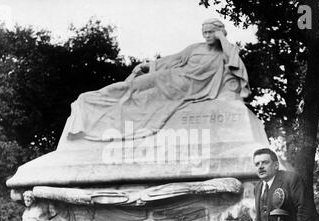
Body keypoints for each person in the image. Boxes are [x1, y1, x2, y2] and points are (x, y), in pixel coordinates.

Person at [66, 18, 250, 141]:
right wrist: (148, 65)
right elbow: (173, 60)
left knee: (141, 98)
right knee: (131, 88)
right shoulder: (195, 48)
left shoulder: (226, 52)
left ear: (219, 32)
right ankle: (92, 100)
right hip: (168, 78)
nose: (207, 36)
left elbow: (235, 62)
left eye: (211, 32)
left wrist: (222, 37)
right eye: (205, 33)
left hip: (186, 90)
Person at [253, 148, 312, 221]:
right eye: (257, 164)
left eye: (265, 162)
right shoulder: (258, 188)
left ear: (276, 165)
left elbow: (303, 210)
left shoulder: (291, 180)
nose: (260, 167)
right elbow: (262, 219)